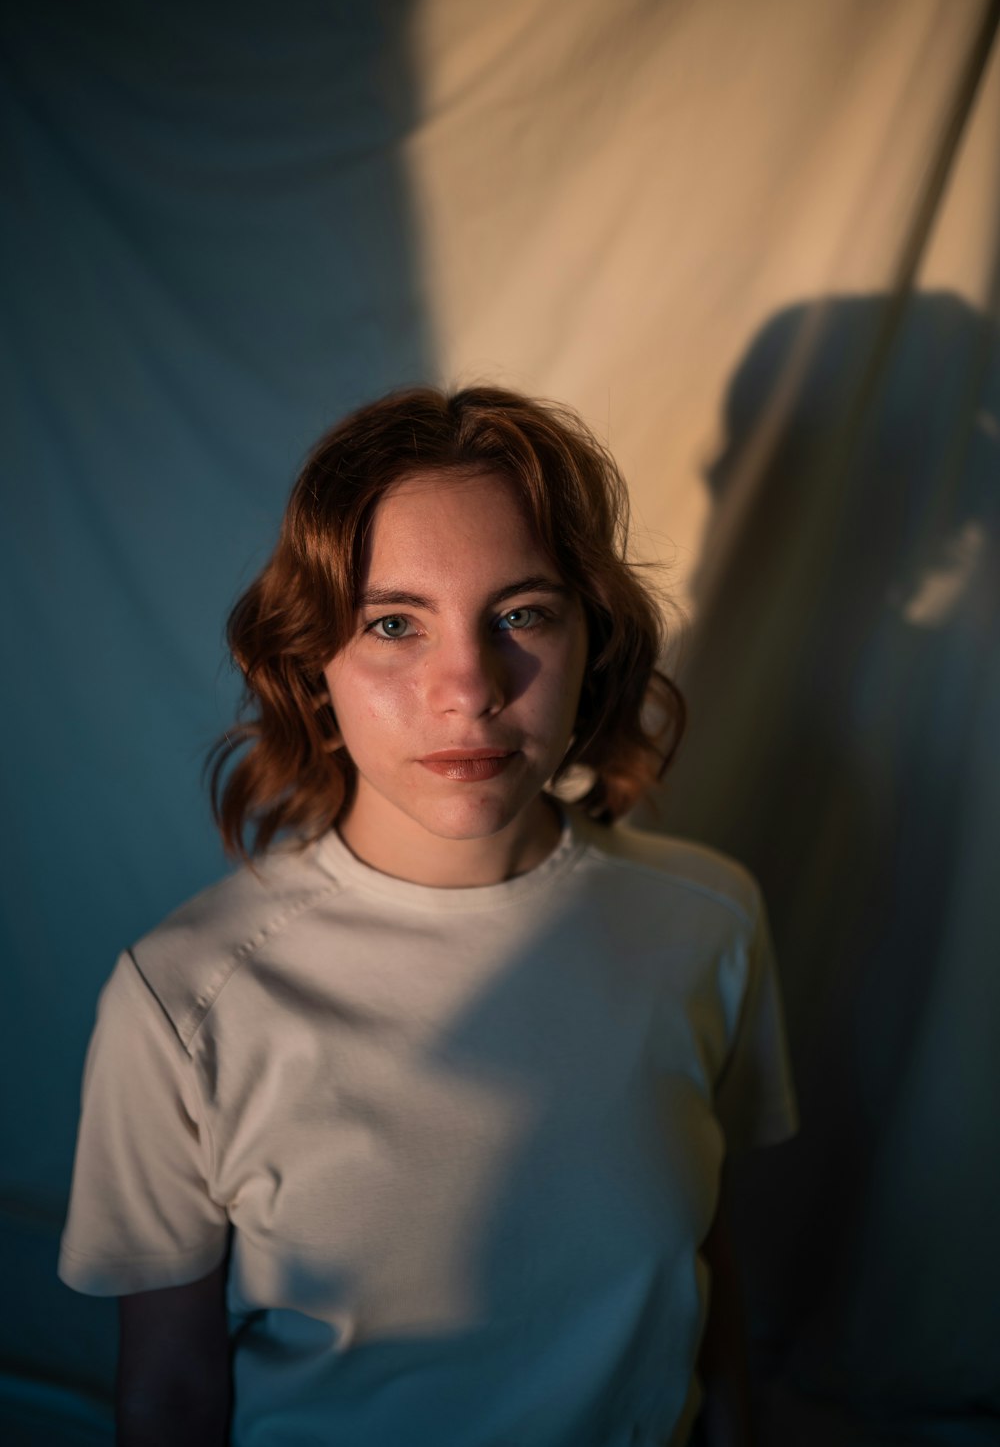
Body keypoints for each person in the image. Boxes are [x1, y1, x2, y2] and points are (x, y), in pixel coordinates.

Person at [59, 386, 797, 1447]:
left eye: (522, 614)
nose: (469, 686)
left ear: (595, 639)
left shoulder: (707, 920)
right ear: (315, 668)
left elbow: (704, 1268)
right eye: (393, 624)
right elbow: (169, 1394)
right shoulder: (184, 1000)